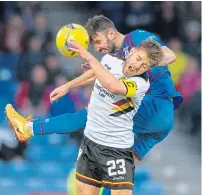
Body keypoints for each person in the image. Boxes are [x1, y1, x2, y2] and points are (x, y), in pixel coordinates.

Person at [6, 38, 164, 195]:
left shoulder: (141, 83)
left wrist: (88, 56)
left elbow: (113, 86)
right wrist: (68, 86)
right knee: (81, 116)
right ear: (131, 52)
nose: (138, 66)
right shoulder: (111, 60)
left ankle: (26, 128)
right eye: (138, 59)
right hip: (91, 144)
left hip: (117, 148)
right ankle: (26, 128)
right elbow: (95, 73)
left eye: (144, 65)